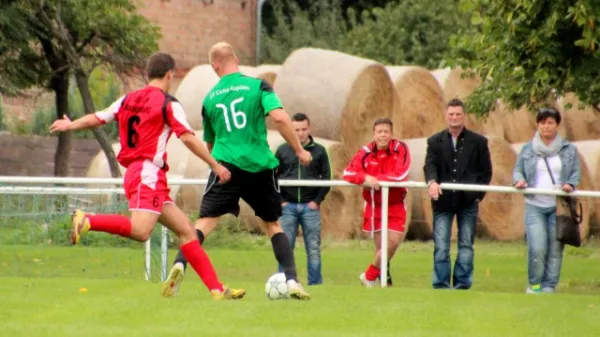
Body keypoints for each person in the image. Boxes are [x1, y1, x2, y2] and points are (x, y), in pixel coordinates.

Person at [49, 52, 245, 300]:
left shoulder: (127, 99)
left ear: (148, 73)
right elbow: (186, 136)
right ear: (170, 74)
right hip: (147, 174)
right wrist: (215, 165)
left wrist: (70, 125)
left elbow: (100, 117)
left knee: (186, 231)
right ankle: (87, 219)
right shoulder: (168, 103)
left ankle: (217, 289)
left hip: (138, 174)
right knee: (141, 231)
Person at [162, 42, 313, 300]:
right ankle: (292, 280)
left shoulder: (209, 99)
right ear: (237, 58)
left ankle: (179, 264)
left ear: (214, 66)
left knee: (203, 224)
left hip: (226, 167)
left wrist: (216, 162)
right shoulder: (258, 85)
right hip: (259, 166)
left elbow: (209, 144)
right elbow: (279, 117)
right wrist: (299, 149)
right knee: (273, 225)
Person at [424, 98, 492, 290]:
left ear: (464, 116)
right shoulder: (435, 141)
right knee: (441, 246)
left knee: (466, 246)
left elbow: (486, 172)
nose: (454, 118)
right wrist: (432, 181)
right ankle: (441, 284)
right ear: (446, 116)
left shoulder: (479, 142)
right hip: (442, 203)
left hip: (467, 203)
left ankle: (462, 284)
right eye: (451, 114)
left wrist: (477, 195)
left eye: (458, 114)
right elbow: (430, 165)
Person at [513, 108, 581, 294]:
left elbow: (575, 172)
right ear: (538, 124)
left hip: (558, 207)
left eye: (550, 122)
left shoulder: (569, 150)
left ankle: (549, 285)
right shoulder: (528, 149)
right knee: (537, 247)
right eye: (542, 122)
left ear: (557, 125)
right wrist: (519, 180)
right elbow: (518, 170)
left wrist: (569, 184)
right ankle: (535, 285)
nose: (546, 126)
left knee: (555, 248)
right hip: (535, 205)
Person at [343, 118, 411, 288]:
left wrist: (378, 180)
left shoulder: (400, 148)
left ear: (391, 134)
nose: (382, 135)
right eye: (379, 132)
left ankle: (369, 275)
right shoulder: (365, 152)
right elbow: (348, 173)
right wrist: (365, 177)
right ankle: (383, 281)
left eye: (386, 132)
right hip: (374, 205)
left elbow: (401, 174)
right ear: (374, 134)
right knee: (381, 247)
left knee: (393, 242)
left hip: (395, 204)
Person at [276, 112, 331, 286]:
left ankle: (315, 283)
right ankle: (284, 282)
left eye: (303, 129)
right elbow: (272, 177)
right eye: (296, 129)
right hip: (287, 207)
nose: (300, 133)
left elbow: (327, 178)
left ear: (309, 128)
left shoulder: (320, 151)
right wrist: (281, 201)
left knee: (313, 248)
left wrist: (317, 201)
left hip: (310, 208)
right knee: (285, 247)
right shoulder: (282, 150)